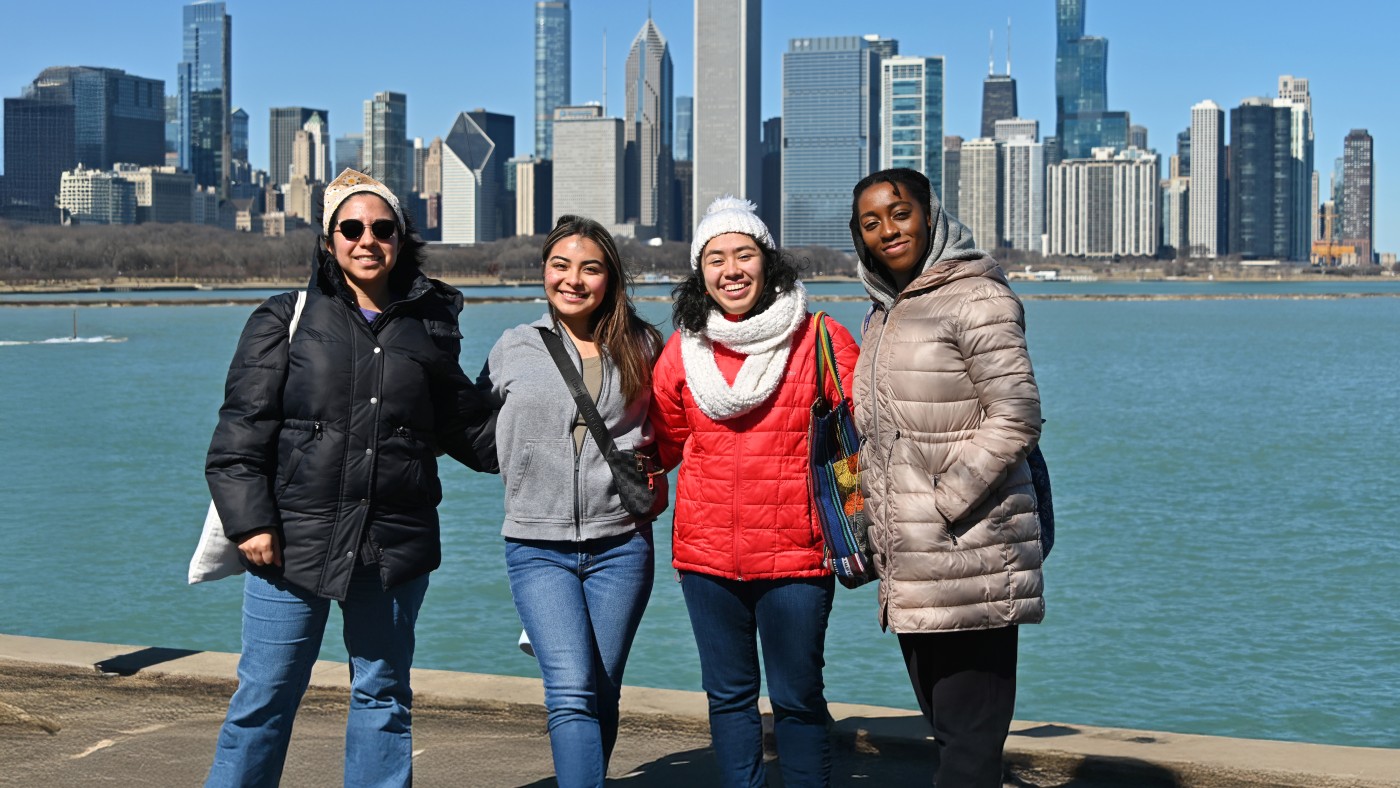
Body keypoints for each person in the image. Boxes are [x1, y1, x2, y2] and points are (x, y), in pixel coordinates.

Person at [204, 168, 496, 787]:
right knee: (265, 697)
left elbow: (470, 432)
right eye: (352, 228)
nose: (368, 240)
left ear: (401, 237)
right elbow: (239, 435)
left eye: (382, 228)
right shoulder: (285, 317)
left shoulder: (429, 327)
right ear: (330, 239)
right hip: (290, 542)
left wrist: (559, 425)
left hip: (393, 542)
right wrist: (251, 522)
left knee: (384, 697)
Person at [649, 196, 859, 787]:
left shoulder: (819, 338)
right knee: (728, 698)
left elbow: (867, 428)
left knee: (797, 697)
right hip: (707, 558)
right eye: (715, 259)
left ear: (768, 263)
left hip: (796, 556)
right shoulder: (682, 351)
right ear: (700, 274)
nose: (731, 270)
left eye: (744, 254)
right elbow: (667, 443)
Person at [848, 167, 1044, 788]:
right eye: (870, 223)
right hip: (911, 561)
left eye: (899, 213)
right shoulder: (883, 314)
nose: (888, 230)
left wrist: (942, 502)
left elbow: (1016, 416)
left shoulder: (976, 297)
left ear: (930, 215)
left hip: (970, 552)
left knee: (968, 748)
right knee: (951, 733)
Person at [479, 215, 664, 788]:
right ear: (544, 272)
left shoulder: (644, 344)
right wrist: (522, 466)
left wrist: (654, 474)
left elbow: (675, 428)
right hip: (537, 546)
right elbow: (470, 427)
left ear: (610, 277)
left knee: (602, 690)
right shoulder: (513, 346)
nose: (573, 279)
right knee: (569, 690)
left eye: (590, 268)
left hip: (622, 544)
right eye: (560, 265)